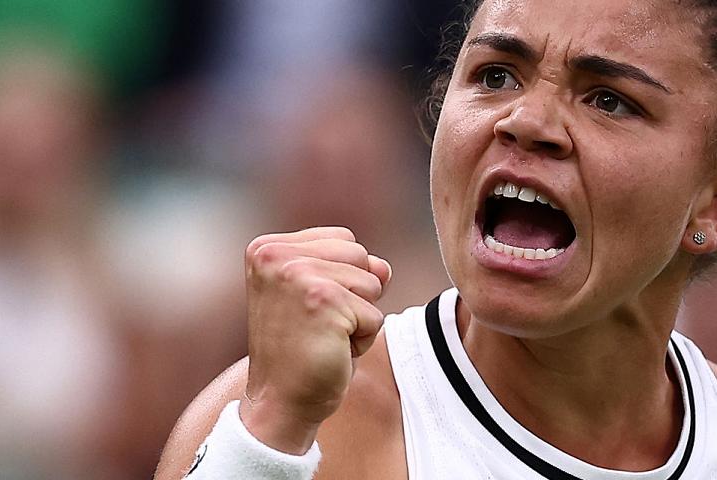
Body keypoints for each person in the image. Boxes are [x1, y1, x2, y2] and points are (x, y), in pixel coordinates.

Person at [154, 0, 717, 478]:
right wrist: (272, 435)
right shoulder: (295, 426)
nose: (525, 120)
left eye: (608, 99)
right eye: (495, 75)